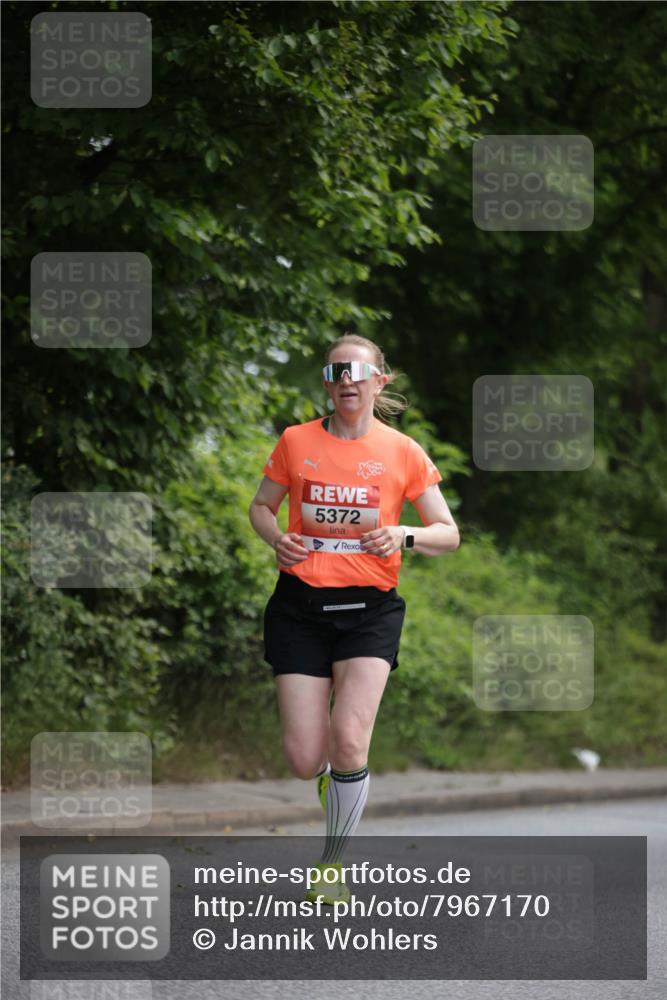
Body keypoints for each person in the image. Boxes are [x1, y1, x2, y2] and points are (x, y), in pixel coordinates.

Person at [248, 334, 460, 904]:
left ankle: (332, 864)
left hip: (370, 612)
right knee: (302, 758)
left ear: (378, 382)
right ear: (328, 381)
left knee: (349, 741)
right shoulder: (297, 441)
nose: (346, 380)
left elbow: (449, 533)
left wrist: (405, 533)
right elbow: (261, 506)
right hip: (299, 609)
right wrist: (277, 539)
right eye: (336, 370)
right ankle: (332, 783)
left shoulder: (403, 451)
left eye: (357, 371)